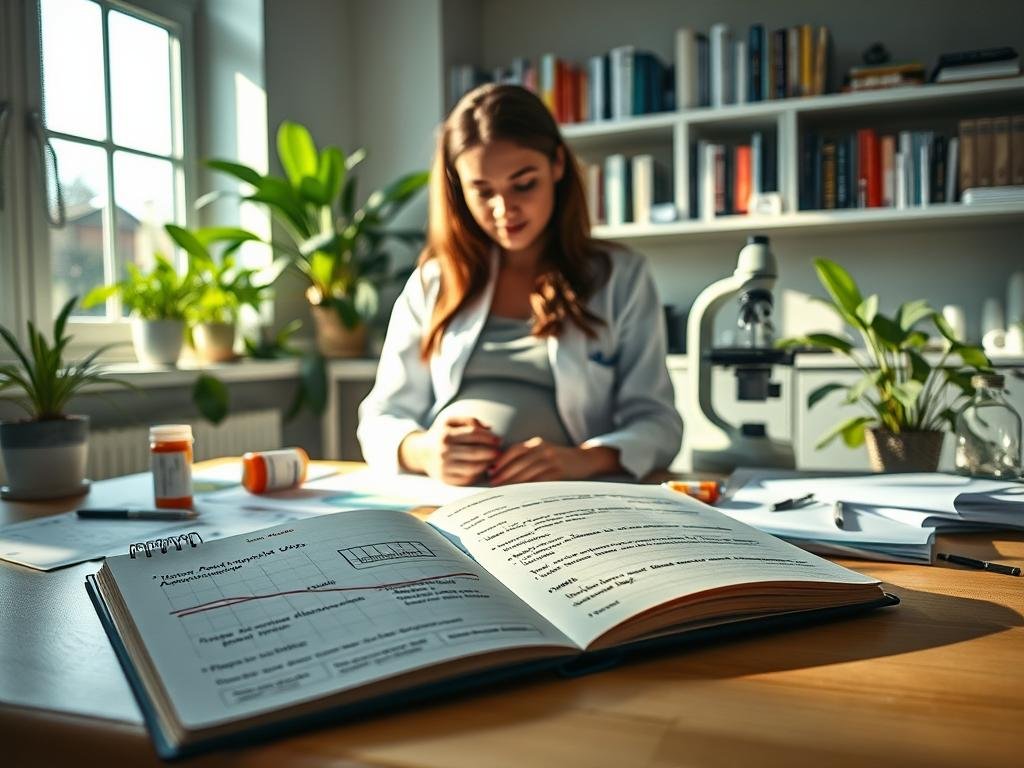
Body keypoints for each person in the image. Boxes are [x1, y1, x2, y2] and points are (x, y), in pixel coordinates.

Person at [358, 83, 682, 486]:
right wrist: (425, 451)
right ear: (459, 190)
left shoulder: (620, 276)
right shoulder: (433, 281)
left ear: (557, 166)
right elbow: (379, 418)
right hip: (448, 502)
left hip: (563, 500)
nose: (504, 210)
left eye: (523, 184)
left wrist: (580, 461)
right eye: (482, 192)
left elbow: (659, 424)